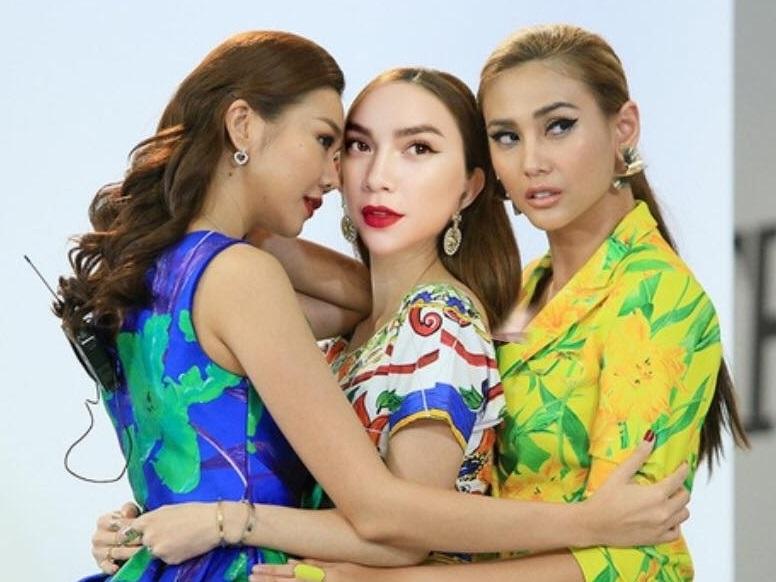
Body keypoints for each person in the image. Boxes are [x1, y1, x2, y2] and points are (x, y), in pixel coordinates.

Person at [67, 31, 691, 582]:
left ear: (470, 187)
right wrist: (159, 525)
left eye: (418, 149)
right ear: (242, 127)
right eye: (350, 146)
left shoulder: (437, 325)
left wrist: (222, 520)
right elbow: (361, 306)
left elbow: (393, 526)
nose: (358, 175)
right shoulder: (307, 305)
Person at [248, 23, 749, 582]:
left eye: (559, 126)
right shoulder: (522, 290)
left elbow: (637, 556)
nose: (532, 161)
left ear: (623, 128)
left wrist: (385, 581)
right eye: (507, 136)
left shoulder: (653, 296)